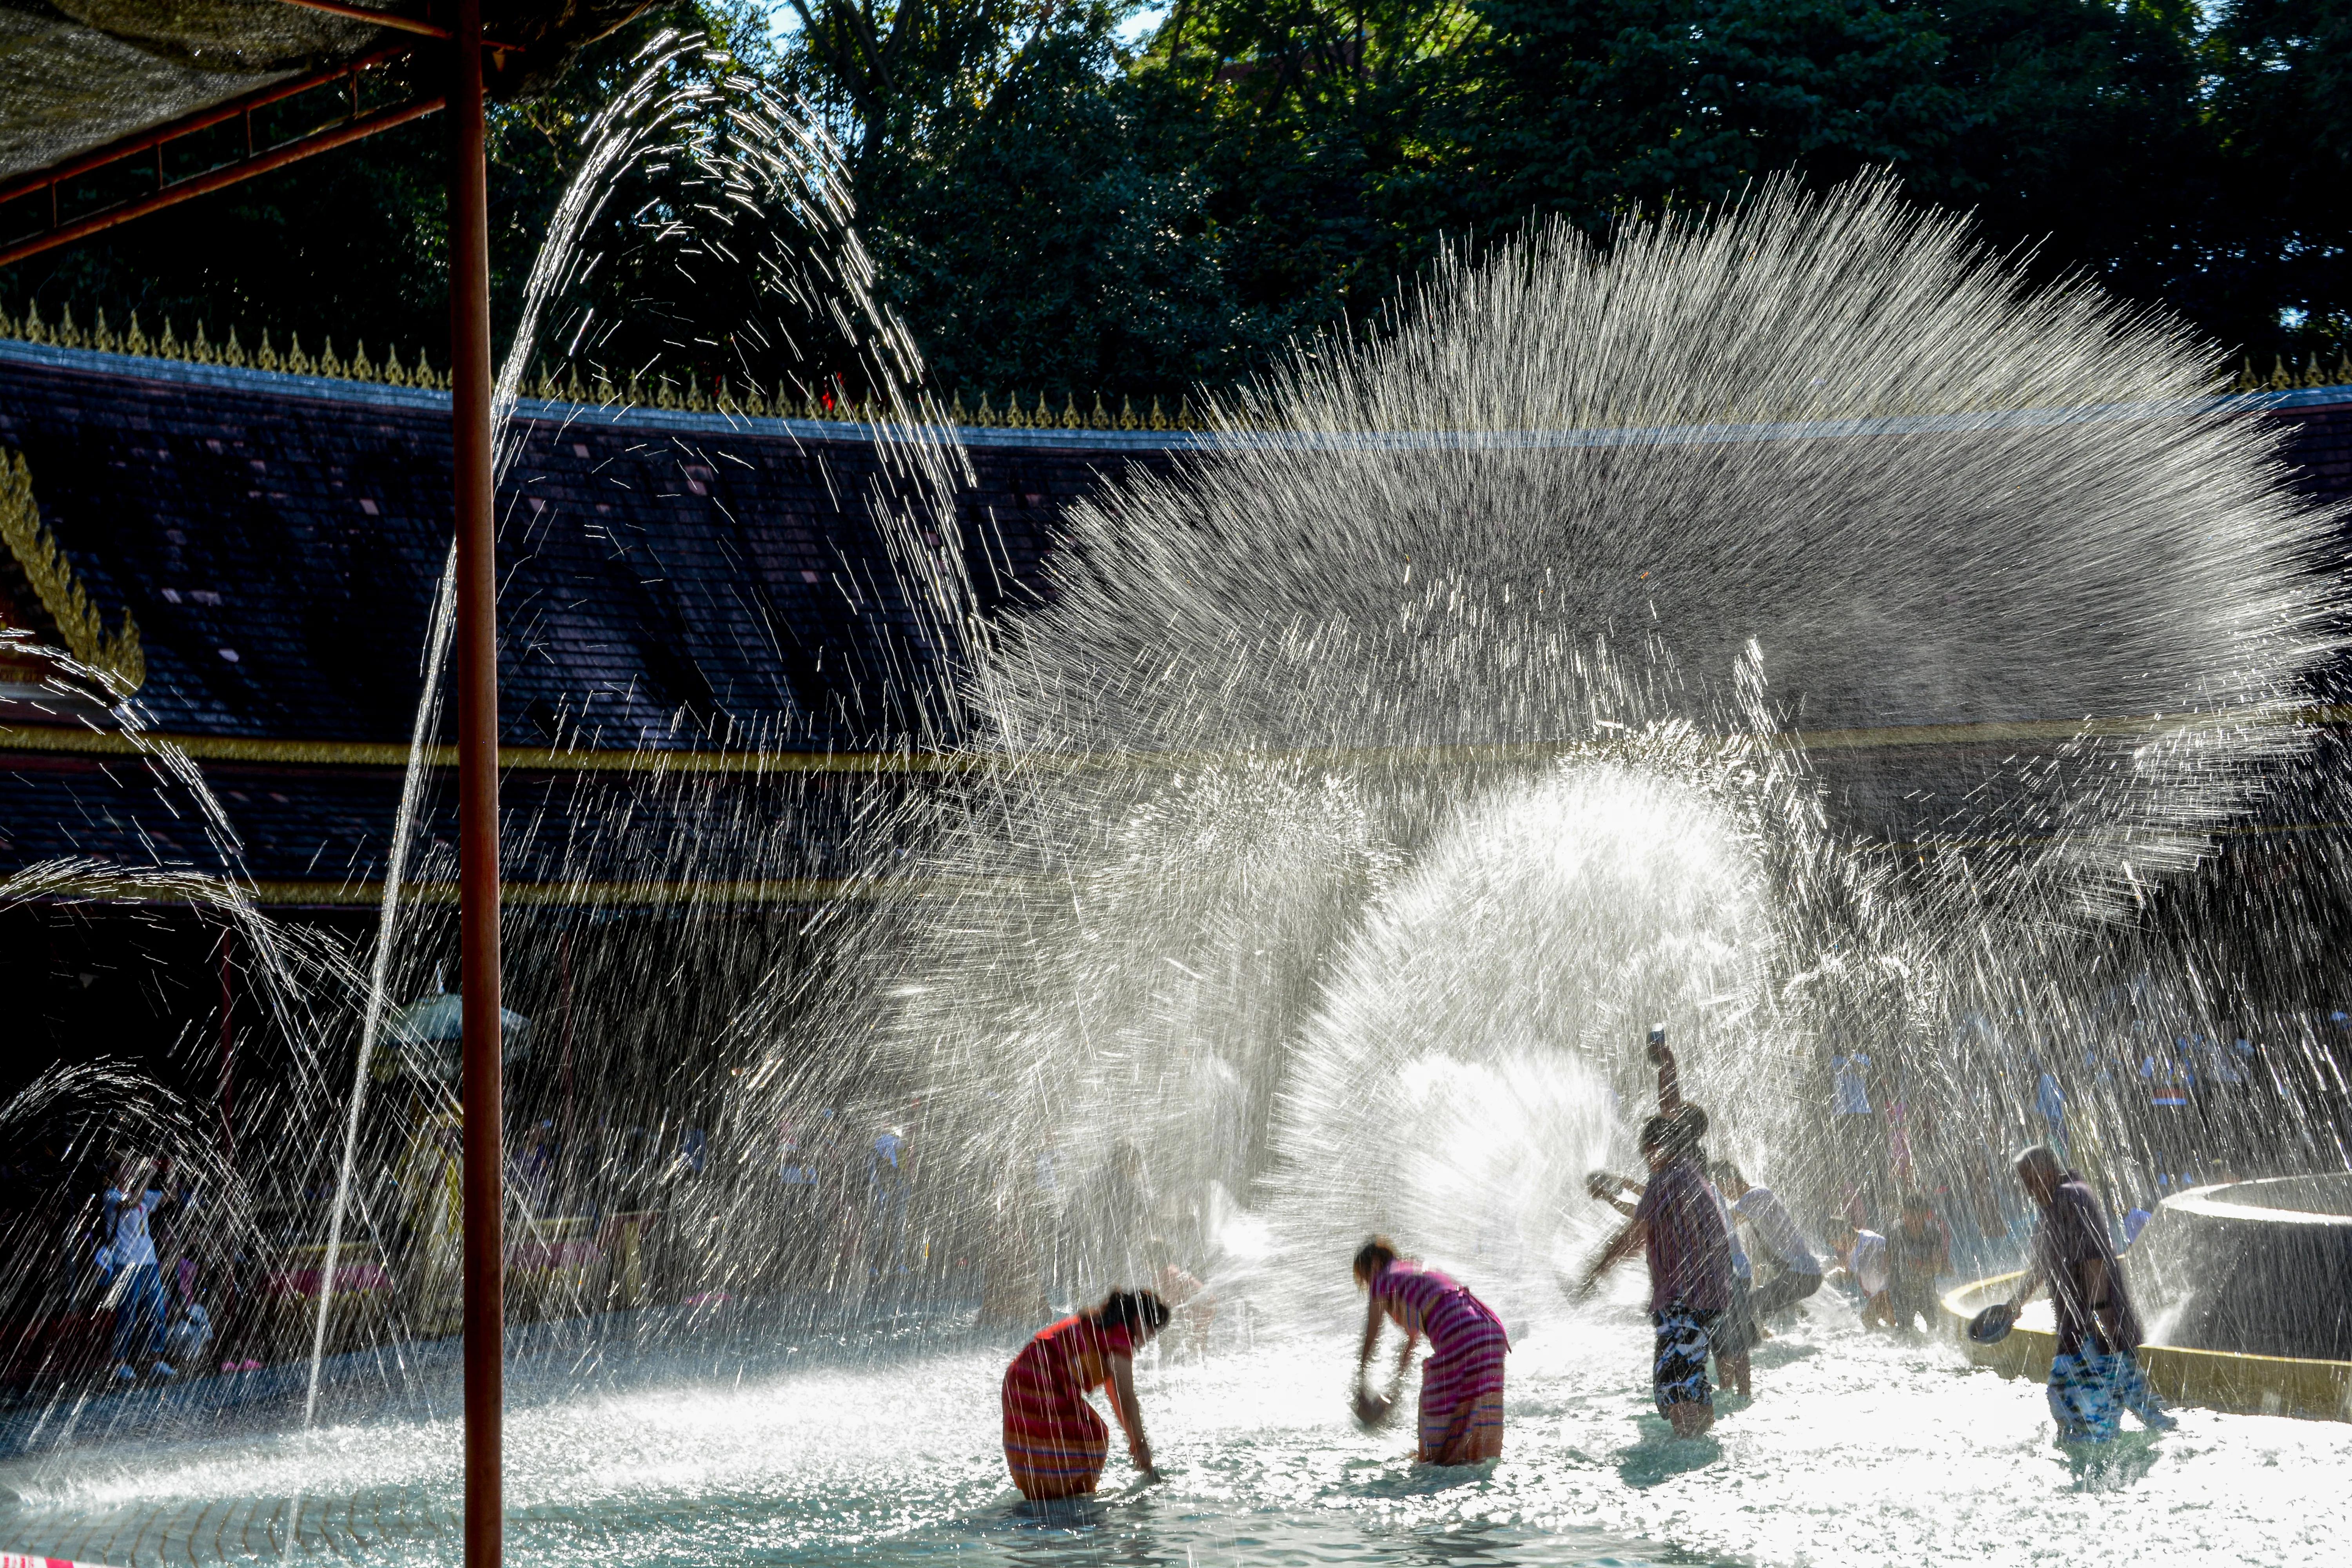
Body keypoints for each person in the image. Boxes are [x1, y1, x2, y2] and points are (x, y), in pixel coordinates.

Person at [1577, 1110, 1732, 1438]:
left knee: (1674, 1380)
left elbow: (1636, 1234)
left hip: (1684, 1300)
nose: (1646, 1158)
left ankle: (1688, 1452)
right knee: (1691, 1376)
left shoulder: (1667, 1179)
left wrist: (1596, 1272)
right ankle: (1701, 1444)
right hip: (1708, 1296)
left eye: (1647, 1150)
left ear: (1656, 1147)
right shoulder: (1688, 1176)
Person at [2002, 1145, 2174, 1442]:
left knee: (2068, 1401)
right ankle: (2172, 1439)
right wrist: (2014, 1304)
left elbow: (2093, 1258)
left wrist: (2099, 1316)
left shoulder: (2071, 1197)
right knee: (2135, 1399)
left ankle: (2095, 1465)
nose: (2028, 1191)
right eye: (2024, 1184)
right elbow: (2044, 1263)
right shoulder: (2056, 1204)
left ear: (2047, 1172)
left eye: (2030, 1181)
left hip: (2090, 1330)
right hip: (2095, 1329)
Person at [1353, 1236, 1510, 1464]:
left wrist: (1360, 1381)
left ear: (1375, 1264)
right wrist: (1391, 1397)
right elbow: (1411, 1342)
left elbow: (1372, 1334)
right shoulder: (1411, 1273)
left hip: (1459, 1333)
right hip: (1489, 1332)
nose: (1369, 1285)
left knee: (1436, 1410)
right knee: (1475, 1407)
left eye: (1366, 1278)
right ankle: (1469, 1459)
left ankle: (1436, 1459)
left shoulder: (1383, 1279)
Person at [1001, 1289, 1169, 1499]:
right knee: (1090, 1438)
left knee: (1078, 1438)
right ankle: (1067, 1508)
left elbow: (1116, 1394)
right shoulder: (1118, 1335)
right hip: (1038, 1381)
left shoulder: (1101, 1329)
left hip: (1022, 1378)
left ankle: (1053, 1502)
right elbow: (1126, 1395)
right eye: (1153, 1330)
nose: (1152, 1338)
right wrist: (1141, 1446)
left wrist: (1135, 1442)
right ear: (1138, 1321)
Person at [1712, 1162, 1823, 1319]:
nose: (1725, 1196)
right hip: (1801, 1274)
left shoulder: (1755, 1196)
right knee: (1766, 1310)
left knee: (1748, 1309)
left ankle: (1756, 1338)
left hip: (1802, 1275)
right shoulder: (1757, 1194)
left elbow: (1726, 1223)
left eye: (1722, 1190)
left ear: (1730, 1181)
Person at [102, 1153, 175, 1381]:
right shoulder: (111, 1195)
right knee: (128, 1313)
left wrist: (172, 1171)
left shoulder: (144, 1198)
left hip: (149, 1262)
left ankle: (157, 1360)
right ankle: (120, 1362)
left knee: (157, 1311)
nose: (133, 1171)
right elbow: (129, 1205)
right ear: (117, 1172)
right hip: (126, 1263)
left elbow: (171, 1195)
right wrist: (149, 1177)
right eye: (128, 1167)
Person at [1884, 1189, 1950, 1335]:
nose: (1914, 1220)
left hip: (1926, 1289)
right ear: (1904, 1215)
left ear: (1926, 1216)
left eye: (1918, 1216)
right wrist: (1886, 1295)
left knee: (1936, 1329)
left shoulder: (1933, 1233)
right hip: (1902, 1290)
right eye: (1910, 1215)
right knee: (1905, 1332)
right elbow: (1886, 1265)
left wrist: (1922, 1267)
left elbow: (1937, 1266)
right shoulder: (1895, 1233)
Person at [1825, 1218, 1891, 1328]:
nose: (1838, 1248)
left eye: (1836, 1245)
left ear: (1844, 1237)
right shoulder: (1865, 1236)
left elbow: (1848, 1275)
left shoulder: (1860, 1249)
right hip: (1885, 1287)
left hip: (1886, 1289)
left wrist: (1827, 1276)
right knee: (1880, 1320)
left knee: (1869, 1320)